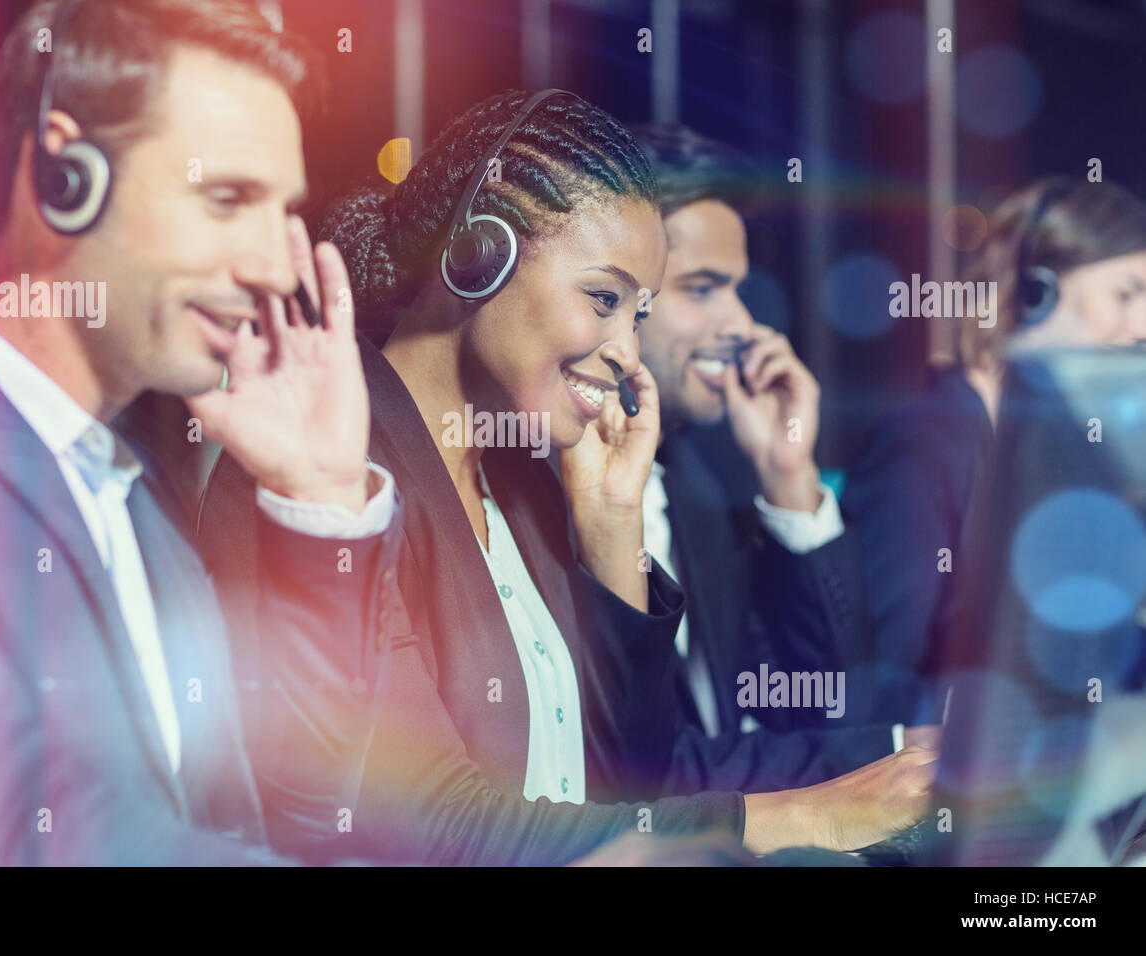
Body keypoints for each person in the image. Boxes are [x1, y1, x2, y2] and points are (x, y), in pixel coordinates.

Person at [201, 89, 936, 866]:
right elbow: (427, 830)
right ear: (476, 255)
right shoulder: (325, 467)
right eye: (604, 298)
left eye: (639, 315)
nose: (626, 348)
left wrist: (611, 524)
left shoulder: (524, 489)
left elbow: (634, 779)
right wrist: (799, 819)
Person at [0, 0, 401, 865]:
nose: (270, 266)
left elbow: (294, 824)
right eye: (226, 200)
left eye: (281, 212)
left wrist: (318, 497)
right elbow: (5, 849)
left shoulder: (122, 496)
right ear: (68, 175)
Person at [626, 123, 916, 791]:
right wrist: (895, 753)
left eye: (737, 289)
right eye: (701, 288)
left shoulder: (691, 493)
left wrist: (790, 477)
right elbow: (639, 775)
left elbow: (828, 707)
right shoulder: (534, 495)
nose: (739, 324)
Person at [841, 176, 1146, 724]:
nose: (1143, 327)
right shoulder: (925, 447)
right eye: (1126, 294)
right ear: (1034, 295)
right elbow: (878, 684)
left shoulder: (1065, 450)